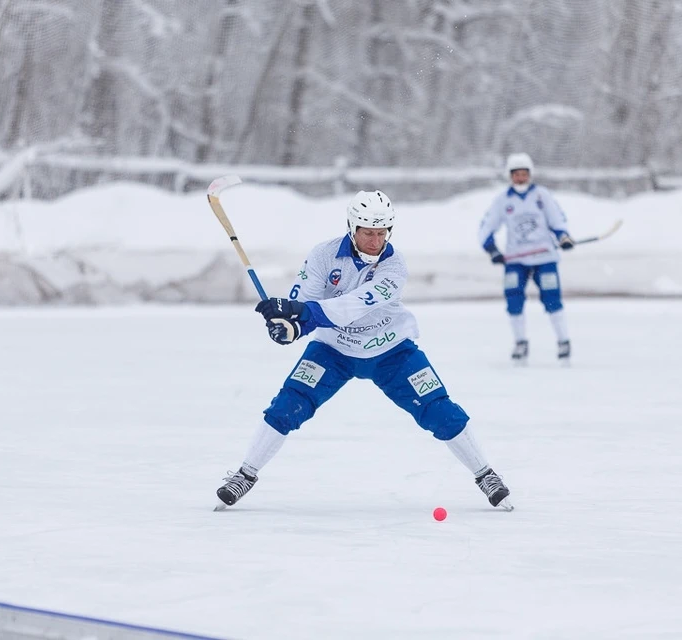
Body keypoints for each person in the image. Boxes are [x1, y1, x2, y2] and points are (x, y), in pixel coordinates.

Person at [215, 189, 513, 511]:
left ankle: (485, 475)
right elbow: (305, 300)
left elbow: (353, 305)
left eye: (381, 233)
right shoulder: (323, 255)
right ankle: (245, 474)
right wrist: (289, 327)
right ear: (352, 228)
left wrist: (304, 316)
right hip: (333, 351)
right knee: (289, 405)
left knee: (439, 410)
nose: (375, 240)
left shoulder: (394, 267)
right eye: (368, 233)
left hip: (392, 351)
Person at [477, 152, 574, 365]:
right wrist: (492, 249)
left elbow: (558, 221)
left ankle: (563, 341)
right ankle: (520, 342)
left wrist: (563, 237)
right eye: (516, 175)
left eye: (524, 174)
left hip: (544, 256)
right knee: (513, 300)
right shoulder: (503, 200)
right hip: (515, 260)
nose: (520, 178)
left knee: (552, 299)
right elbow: (486, 227)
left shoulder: (542, 196)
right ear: (510, 176)